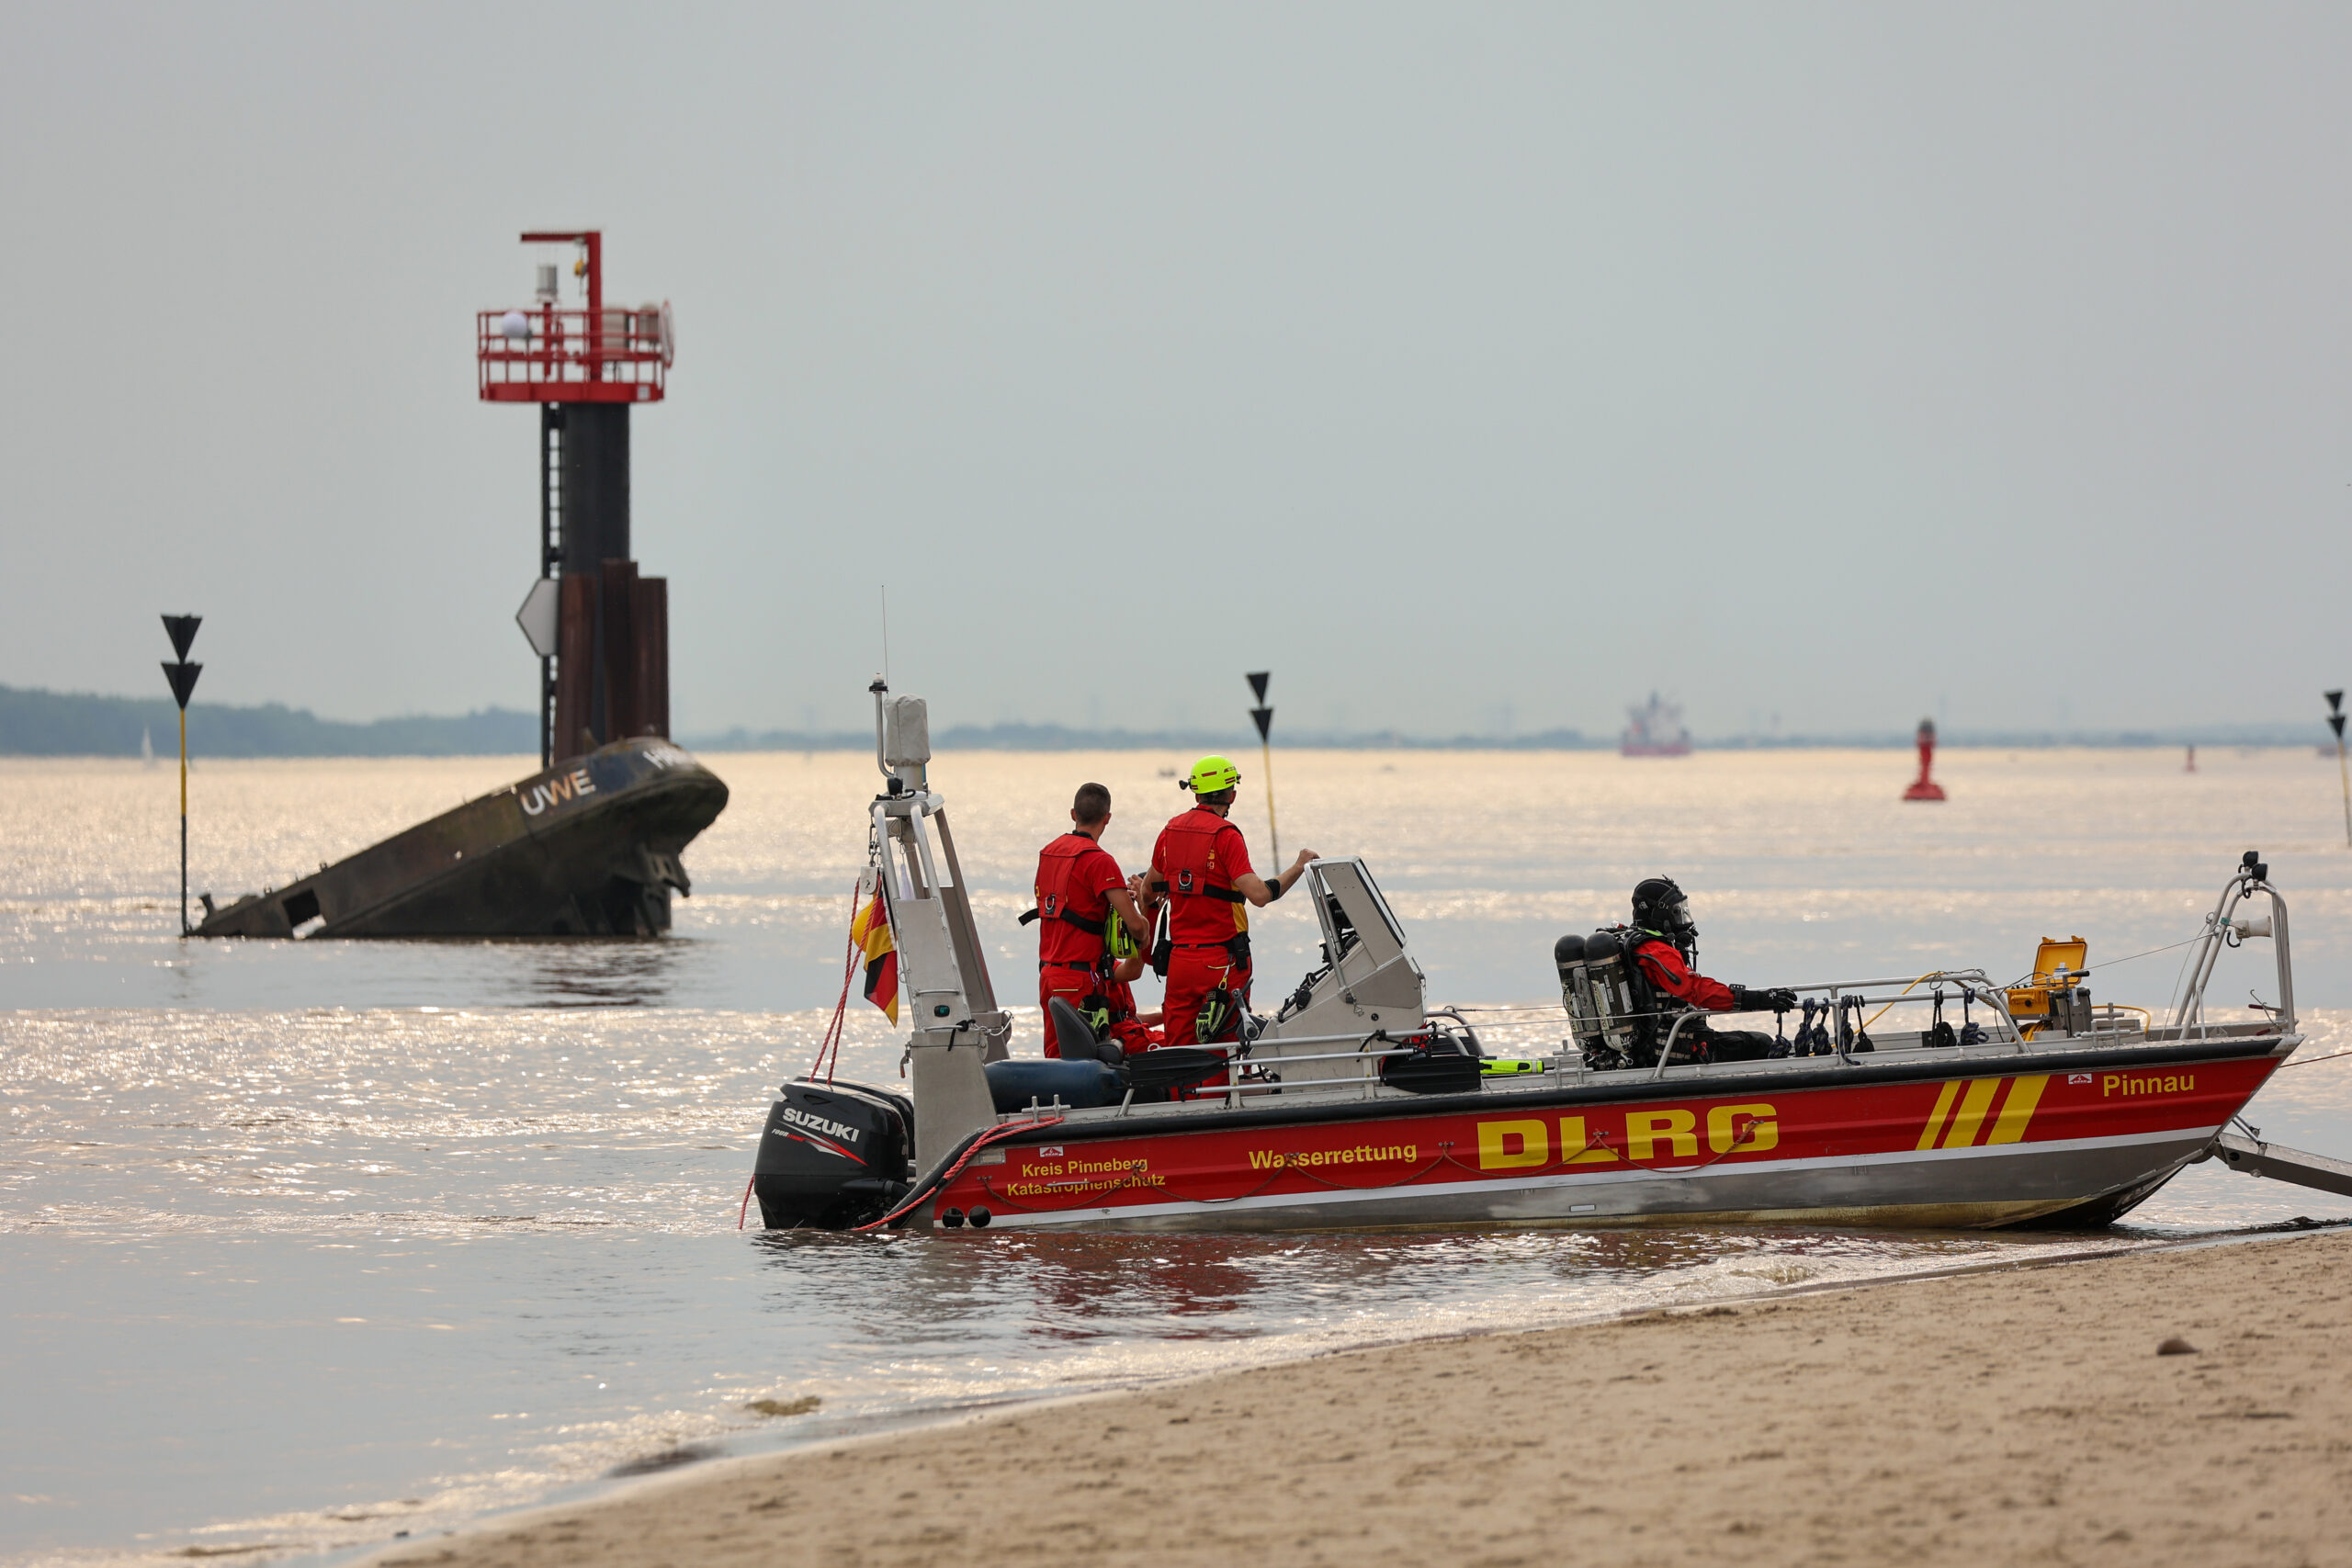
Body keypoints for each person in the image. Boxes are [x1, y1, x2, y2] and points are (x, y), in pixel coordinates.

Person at [1150, 756, 1317, 1050]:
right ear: (1232, 795)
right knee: (1225, 1046)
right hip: (1222, 963)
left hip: (1179, 962)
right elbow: (1261, 895)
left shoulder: (1169, 831)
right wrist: (1299, 866)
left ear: (1196, 792)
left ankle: (1181, 1095)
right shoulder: (1226, 836)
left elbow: (1146, 894)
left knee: (1177, 1046)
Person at [1027, 783, 1152, 1058]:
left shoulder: (1048, 853)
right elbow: (1134, 926)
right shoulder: (1099, 861)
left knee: (1057, 1056)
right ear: (1107, 818)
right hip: (1081, 978)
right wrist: (1144, 912)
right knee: (1087, 1061)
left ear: (1074, 814)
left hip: (1049, 974)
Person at [1621, 876, 1794, 1065]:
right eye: (1676, 912)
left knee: (1752, 1040)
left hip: (1664, 1046)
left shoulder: (1635, 944)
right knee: (1761, 1043)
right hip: (1678, 1052)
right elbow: (1694, 989)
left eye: (1683, 910)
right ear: (1658, 915)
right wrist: (1757, 999)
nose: (1683, 920)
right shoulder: (1656, 950)